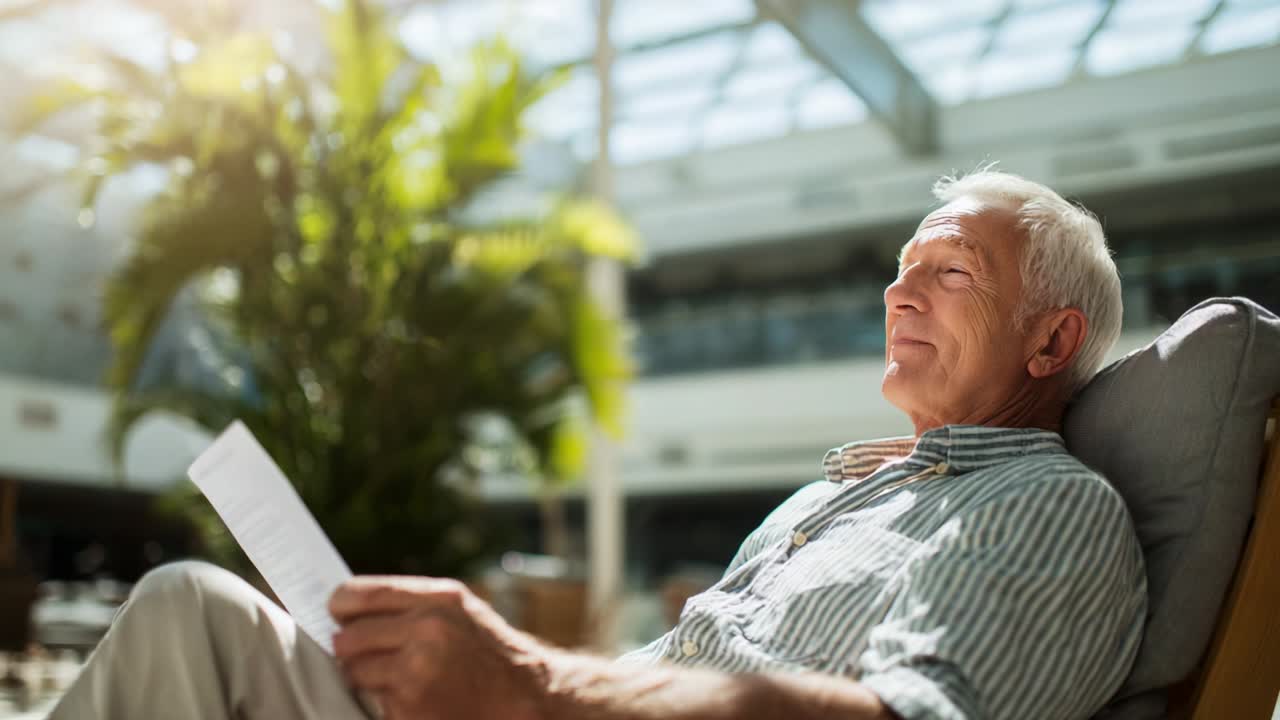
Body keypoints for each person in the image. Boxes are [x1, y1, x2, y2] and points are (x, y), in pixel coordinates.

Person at [49, 169, 1146, 720]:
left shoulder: (1048, 508)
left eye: (948, 273)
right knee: (193, 611)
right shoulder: (833, 501)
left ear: (1051, 338)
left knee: (190, 622)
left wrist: (534, 685)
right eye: (900, 269)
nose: (897, 293)